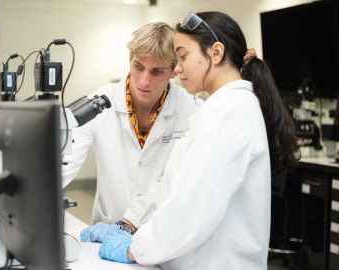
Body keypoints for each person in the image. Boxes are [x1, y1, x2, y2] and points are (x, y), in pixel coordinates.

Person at [84, 11, 299, 270]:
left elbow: (191, 211)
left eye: (183, 56)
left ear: (216, 53)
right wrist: (127, 225)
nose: (177, 68)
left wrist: (134, 248)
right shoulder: (217, 109)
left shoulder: (230, 113)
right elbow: (171, 184)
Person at [62, 22, 197, 234]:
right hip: (108, 234)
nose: (144, 80)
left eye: (157, 72)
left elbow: (183, 179)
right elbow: (64, 163)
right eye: (139, 67)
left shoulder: (190, 110)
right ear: (129, 61)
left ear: (173, 71)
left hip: (163, 236)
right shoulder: (98, 104)